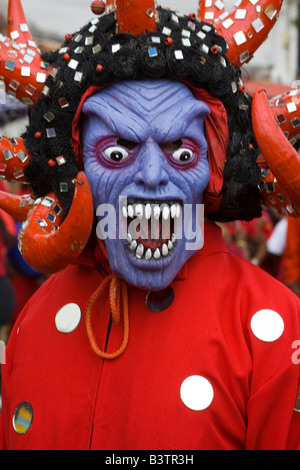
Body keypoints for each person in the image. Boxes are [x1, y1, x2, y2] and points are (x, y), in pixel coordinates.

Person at [0, 0, 299, 450]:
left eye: (182, 152)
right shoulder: (36, 317)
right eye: (117, 153)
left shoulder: (276, 325)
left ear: (214, 172)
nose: (154, 175)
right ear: (75, 168)